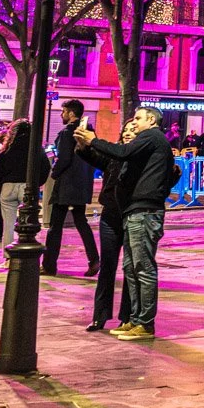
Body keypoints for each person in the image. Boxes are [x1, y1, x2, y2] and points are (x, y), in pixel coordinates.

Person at [75, 105, 175, 340]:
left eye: (138, 119)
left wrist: (93, 140)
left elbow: (123, 152)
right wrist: (86, 144)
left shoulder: (152, 136)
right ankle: (134, 319)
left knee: (143, 268)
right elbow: (113, 157)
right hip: (133, 212)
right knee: (131, 268)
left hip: (144, 212)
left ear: (151, 120)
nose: (134, 123)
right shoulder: (146, 144)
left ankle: (144, 323)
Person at [77, 135, 134, 333]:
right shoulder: (114, 155)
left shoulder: (141, 154)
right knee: (107, 267)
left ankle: (127, 317)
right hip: (110, 215)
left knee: (130, 268)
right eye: (125, 130)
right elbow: (93, 157)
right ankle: (99, 316)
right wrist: (83, 145)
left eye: (133, 129)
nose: (128, 133)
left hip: (131, 215)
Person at [45, 100, 100, 278]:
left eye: (63, 112)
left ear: (70, 113)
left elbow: (64, 159)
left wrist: (54, 174)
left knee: (55, 226)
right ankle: (94, 259)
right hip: (81, 184)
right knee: (81, 221)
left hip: (66, 185)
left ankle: (49, 264)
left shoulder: (67, 133)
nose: (61, 115)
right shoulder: (88, 132)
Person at [0, 119, 49, 248]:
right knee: (27, 224)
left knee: (8, 225)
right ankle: (24, 249)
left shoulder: (7, 149)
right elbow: (45, 168)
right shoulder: (36, 149)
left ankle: (8, 254)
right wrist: (36, 183)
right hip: (27, 186)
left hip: (8, 186)